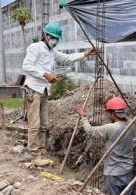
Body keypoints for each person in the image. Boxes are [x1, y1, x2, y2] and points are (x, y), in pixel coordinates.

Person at [22, 21, 98, 154]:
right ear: (45, 35)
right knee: (34, 123)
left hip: (43, 90)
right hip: (33, 90)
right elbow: (26, 66)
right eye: (53, 38)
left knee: (44, 123)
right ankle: (33, 152)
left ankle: (41, 149)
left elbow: (67, 58)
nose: (55, 41)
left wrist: (85, 54)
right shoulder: (35, 47)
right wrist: (45, 74)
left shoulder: (52, 51)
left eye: (57, 39)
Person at [75, 97, 135, 195]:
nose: (107, 115)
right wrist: (109, 107)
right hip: (128, 169)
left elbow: (90, 131)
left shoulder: (110, 128)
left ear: (113, 114)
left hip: (114, 171)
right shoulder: (131, 124)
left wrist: (83, 116)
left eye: (108, 113)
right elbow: (120, 117)